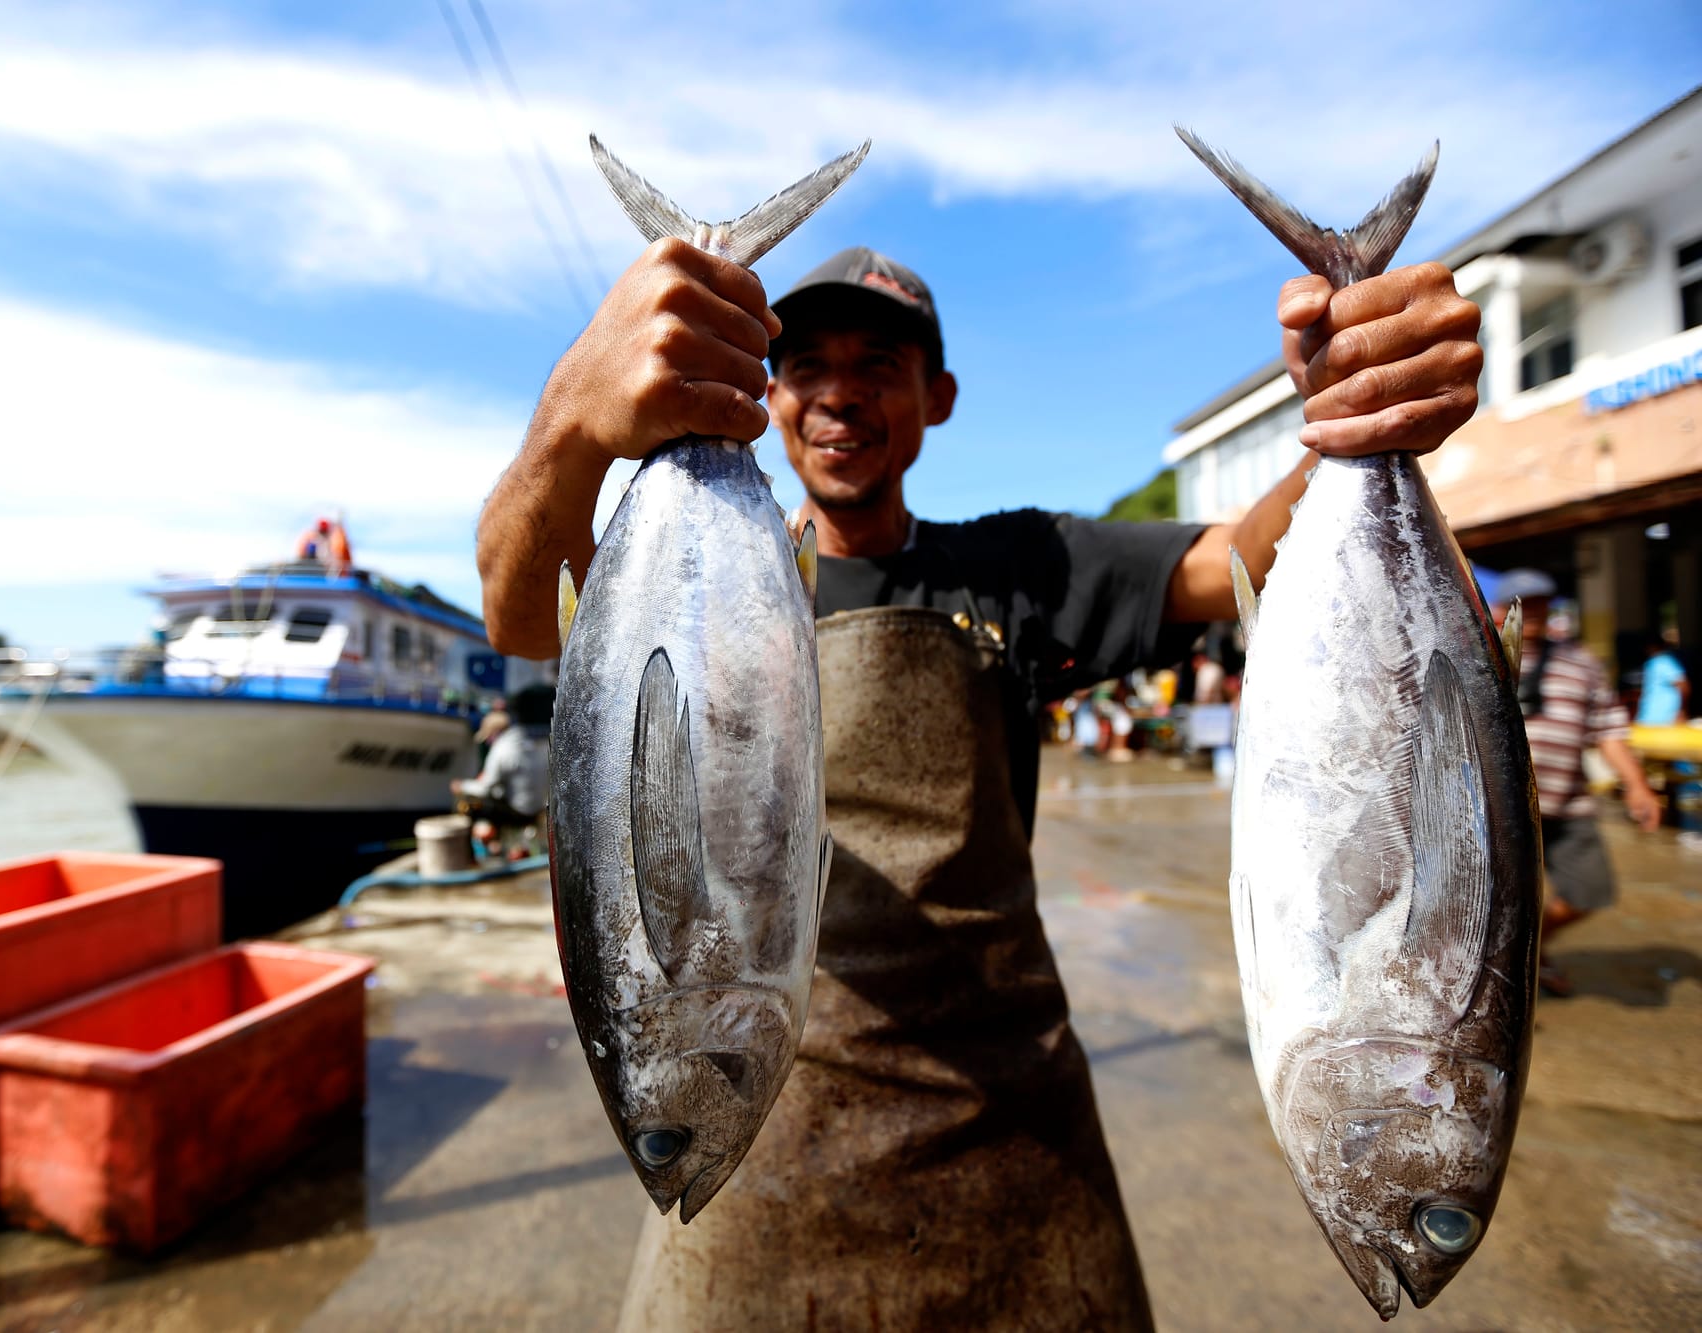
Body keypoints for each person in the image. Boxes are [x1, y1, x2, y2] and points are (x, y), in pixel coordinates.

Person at [476, 234, 1482, 1328]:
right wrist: (574, 414)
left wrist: (1355, 411)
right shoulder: (686, 580)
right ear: (768, 393)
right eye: (807, 366)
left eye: (879, 366)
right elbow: (522, 616)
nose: (839, 395)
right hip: (751, 1124)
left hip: (1015, 1133)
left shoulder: (1015, 570)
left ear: (937, 397)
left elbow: (1234, 557)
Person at [1489, 570, 1663, 998]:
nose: (1531, 613)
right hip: (1495, 811)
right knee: (1485, 905)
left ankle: (1529, 950)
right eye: (1520, 604)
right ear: (1498, 609)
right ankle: (1502, 975)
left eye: (1539, 603)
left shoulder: (1581, 662)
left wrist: (1637, 785)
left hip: (1567, 805)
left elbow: (1609, 730)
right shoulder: (1479, 657)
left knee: (1589, 891)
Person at [450, 685, 553, 849]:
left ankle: (476, 850)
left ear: (493, 734)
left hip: (519, 812)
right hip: (542, 808)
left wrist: (461, 786)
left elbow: (485, 788)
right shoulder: (540, 741)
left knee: (464, 802)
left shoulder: (502, 748)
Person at [1638, 629, 1689, 726]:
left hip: (1664, 719)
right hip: (1650, 718)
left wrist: (1681, 710)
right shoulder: (1652, 663)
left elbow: (1683, 686)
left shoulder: (1664, 662)